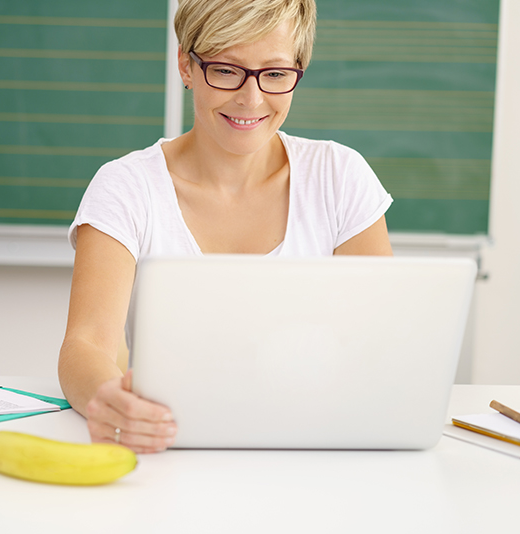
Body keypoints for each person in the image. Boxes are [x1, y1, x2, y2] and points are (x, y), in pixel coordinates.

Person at [58, 0, 393, 454]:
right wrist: (109, 401)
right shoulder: (126, 187)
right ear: (186, 65)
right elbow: (85, 345)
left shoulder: (339, 176)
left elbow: (381, 339)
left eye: (274, 74)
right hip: (171, 448)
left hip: (311, 448)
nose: (250, 99)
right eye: (226, 70)